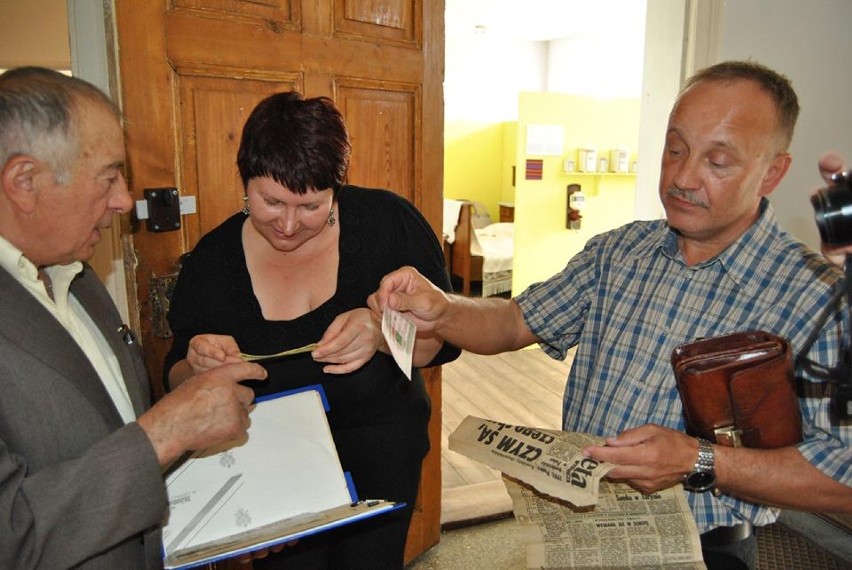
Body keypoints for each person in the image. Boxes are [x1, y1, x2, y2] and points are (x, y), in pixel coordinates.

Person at [370, 60, 852, 569]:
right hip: (579, 526)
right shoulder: (618, 252)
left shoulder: (817, 297)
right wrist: (444, 310)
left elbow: (843, 477)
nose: (683, 177)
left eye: (718, 161)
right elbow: (515, 320)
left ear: (772, 171)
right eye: (675, 149)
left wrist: (699, 460)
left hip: (703, 549)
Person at [163, 91, 460, 568]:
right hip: (271, 463)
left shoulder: (389, 224)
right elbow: (174, 376)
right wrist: (195, 367)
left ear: (336, 189)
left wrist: (382, 334)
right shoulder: (214, 260)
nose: (286, 224)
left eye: (309, 207)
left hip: (382, 449)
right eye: (270, 201)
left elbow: (442, 343)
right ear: (245, 183)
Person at [0, 67, 269, 569]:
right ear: (24, 182)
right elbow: (10, 536)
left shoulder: (75, 277)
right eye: (108, 177)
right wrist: (169, 428)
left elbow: (117, 442)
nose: (125, 199)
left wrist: (233, 511)